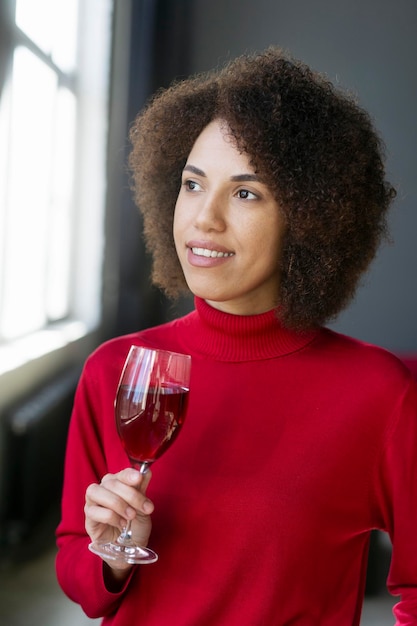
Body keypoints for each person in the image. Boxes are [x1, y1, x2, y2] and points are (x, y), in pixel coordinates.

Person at [55, 47, 417, 625]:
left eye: (246, 193)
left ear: (310, 218)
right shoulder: (117, 369)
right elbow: (83, 580)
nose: (204, 218)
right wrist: (111, 555)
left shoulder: (381, 394)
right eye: (193, 184)